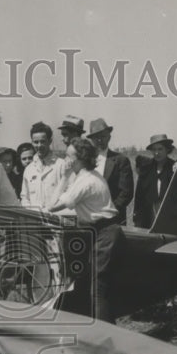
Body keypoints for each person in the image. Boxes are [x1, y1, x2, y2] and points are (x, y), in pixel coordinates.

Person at [48, 138, 123, 322]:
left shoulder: (85, 182)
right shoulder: (87, 177)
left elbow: (51, 205)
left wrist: (64, 176)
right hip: (99, 231)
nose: (65, 160)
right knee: (93, 285)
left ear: (78, 159)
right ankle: (101, 330)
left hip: (104, 233)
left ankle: (103, 335)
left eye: (68, 156)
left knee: (98, 288)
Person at [86, 118, 134, 225]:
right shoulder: (85, 161)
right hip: (88, 218)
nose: (99, 140)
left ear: (109, 137)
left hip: (113, 220)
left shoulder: (121, 160)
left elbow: (126, 193)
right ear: (91, 140)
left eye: (103, 136)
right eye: (96, 137)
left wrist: (108, 211)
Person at [21, 121, 70, 209]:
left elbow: (68, 194)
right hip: (34, 219)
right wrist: (30, 213)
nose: (39, 145)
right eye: (36, 142)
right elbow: (25, 198)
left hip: (56, 218)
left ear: (50, 141)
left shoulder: (61, 165)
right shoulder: (28, 170)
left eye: (42, 141)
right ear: (31, 142)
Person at [133, 134, 175, 229]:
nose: (157, 153)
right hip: (148, 215)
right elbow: (139, 196)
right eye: (154, 150)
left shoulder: (174, 168)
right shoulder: (146, 169)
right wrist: (137, 218)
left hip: (168, 215)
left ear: (167, 149)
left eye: (160, 149)